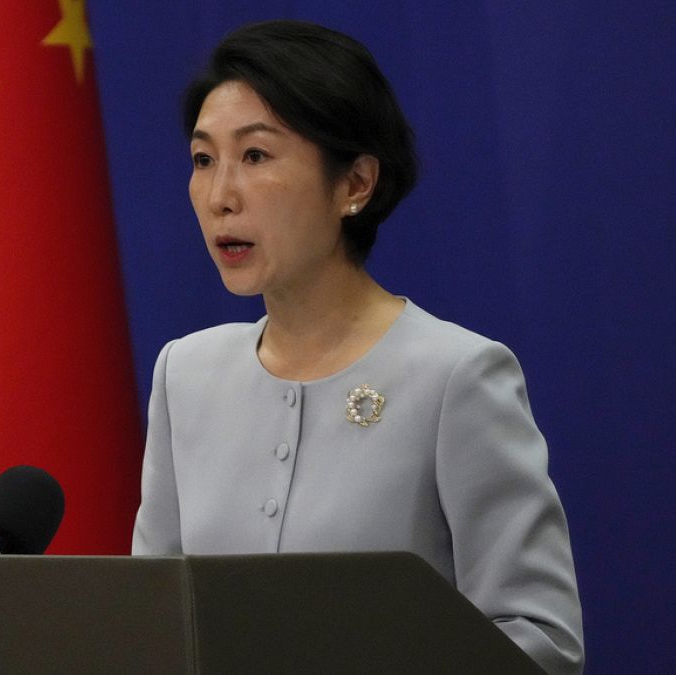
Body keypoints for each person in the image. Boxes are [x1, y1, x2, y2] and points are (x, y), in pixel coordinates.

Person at [130, 20, 584, 674]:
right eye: (204, 160)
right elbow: (154, 620)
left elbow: (541, 641)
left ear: (355, 184)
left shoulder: (455, 376)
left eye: (256, 156)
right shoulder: (186, 374)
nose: (220, 196)